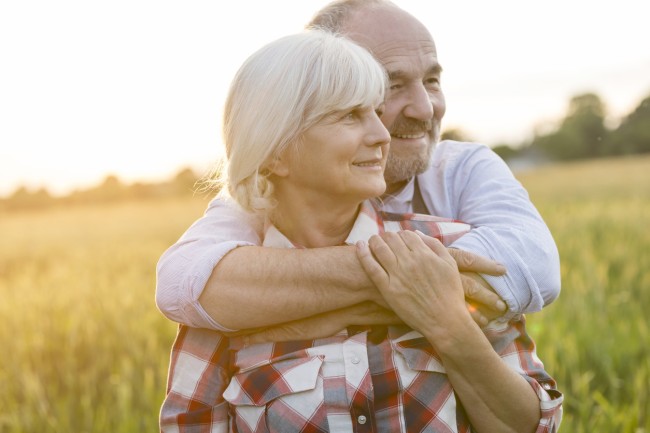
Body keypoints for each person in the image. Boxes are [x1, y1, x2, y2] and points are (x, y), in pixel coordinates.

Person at [160, 29, 562, 433]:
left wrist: (450, 325)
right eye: (351, 115)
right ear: (276, 152)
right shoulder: (223, 299)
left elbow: (535, 427)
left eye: (375, 111)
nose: (381, 134)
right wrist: (393, 287)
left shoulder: (447, 248)